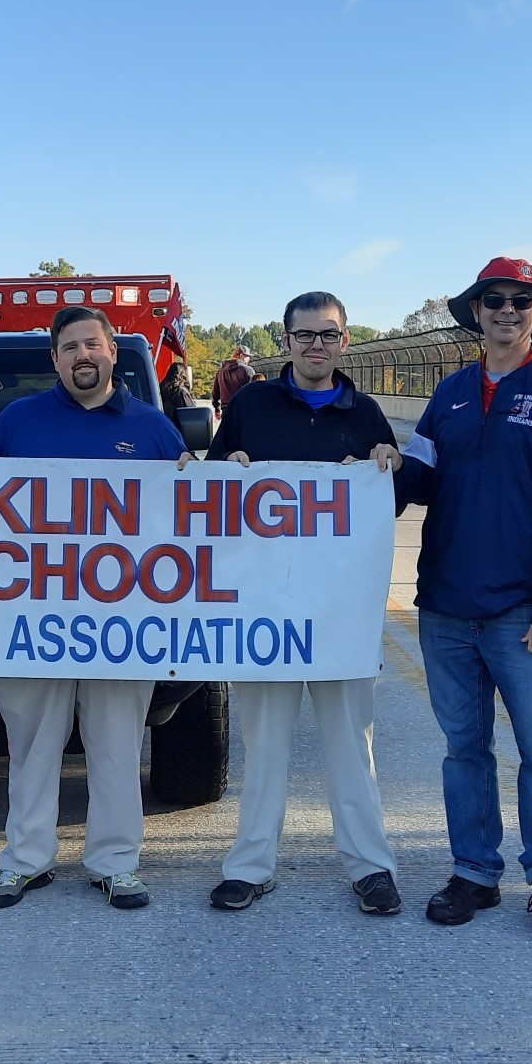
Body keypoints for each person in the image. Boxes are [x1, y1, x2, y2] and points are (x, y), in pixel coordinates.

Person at [393, 257, 532, 942]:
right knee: (465, 750)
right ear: (476, 313)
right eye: (494, 301)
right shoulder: (450, 393)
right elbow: (409, 484)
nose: (507, 311)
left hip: (522, 612)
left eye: (520, 301)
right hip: (445, 607)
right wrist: (354, 472)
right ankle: (475, 874)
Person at [0, 305, 188, 910]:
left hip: (125, 620)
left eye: (92, 345)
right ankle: (26, 860)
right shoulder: (18, 422)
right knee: (32, 745)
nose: (82, 356)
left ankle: (116, 863)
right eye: (69, 348)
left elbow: (188, 518)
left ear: (113, 351)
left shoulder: (152, 428)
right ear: (55, 360)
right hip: (33, 618)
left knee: (117, 744)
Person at [204, 293, 405, 916]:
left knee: (352, 744)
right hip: (265, 610)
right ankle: (251, 865)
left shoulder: (365, 412)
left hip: (339, 614)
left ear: (345, 341)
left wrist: (384, 465)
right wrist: (228, 466)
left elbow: (385, 508)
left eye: (328, 335)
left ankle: (370, 866)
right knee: (264, 746)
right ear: (285, 341)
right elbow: (212, 499)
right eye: (304, 336)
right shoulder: (250, 406)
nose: (316, 346)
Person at [212, 345, 257, 416]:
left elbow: (215, 392)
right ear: (241, 355)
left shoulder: (220, 371)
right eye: (248, 356)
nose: (249, 359)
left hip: (226, 411)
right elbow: (254, 392)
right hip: (243, 411)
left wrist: (217, 408)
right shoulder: (248, 370)